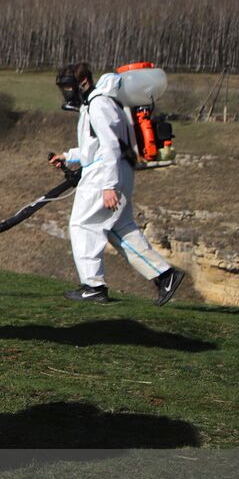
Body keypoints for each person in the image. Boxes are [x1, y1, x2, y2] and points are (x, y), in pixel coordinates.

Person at [49, 62, 186, 305]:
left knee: (82, 226)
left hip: (105, 174)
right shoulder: (101, 103)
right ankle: (165, 275)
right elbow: (95, 146)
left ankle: (93, 286)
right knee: (120, 230)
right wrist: (68, 156)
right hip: (114, 169)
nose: (67, 93)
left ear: (83, 83)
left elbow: (111, 146)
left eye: (69, 87)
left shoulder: (100, 104)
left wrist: (108, 186)